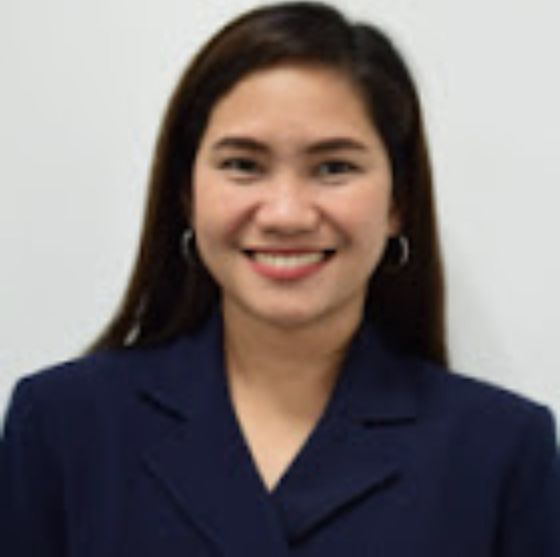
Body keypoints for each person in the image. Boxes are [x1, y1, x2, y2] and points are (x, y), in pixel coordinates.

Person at [1, 2, 558, 555]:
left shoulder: (501, 450)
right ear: (187, 194)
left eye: (334, 167)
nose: (286, 213)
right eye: (243, 165)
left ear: (398, 202)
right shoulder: (63, 426)